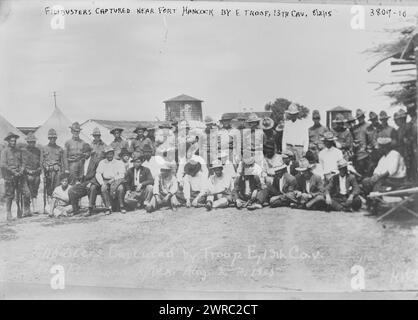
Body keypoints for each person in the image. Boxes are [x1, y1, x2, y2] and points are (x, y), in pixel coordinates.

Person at [67, 144, 101, 216]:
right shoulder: (81, 161)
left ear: (90, 152)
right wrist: (77, 181)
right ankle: (75, 209)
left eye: (86, 152)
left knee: (92, 187)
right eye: (83, 152)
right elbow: (76, 172)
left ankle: (90, 209)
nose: (85, 154)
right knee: (71, 190)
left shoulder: (95, 161)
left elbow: (98, 174)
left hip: (93, 181)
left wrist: (91, 182)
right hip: (83, 182)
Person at [0, 132, 25, 220]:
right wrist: (13, 172)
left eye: (14, 141)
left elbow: (22, 163)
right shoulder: (5, 151)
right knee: (9, 195)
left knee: (19, 194)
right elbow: (3, 164)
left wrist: (21, 170)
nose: (13, 142)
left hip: (18, 176)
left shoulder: (19, 151)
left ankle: (19, 211)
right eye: (11, 141)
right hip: (9, 176)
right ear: (8, 141)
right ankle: (9, 214)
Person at [95, 146, 126, 214]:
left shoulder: (119, 162)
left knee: (120, 188)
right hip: (105, 180)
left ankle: (121, 206)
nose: (109, 156)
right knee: (103, 188)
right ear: (105, 155)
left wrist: (113, 179)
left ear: (113, 154)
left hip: (116, 180)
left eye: (111, 154)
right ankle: (108, 208)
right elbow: (98, 173)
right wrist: (101, 182)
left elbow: (122, 174)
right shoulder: (102, 162)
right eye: (108, 154)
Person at [41, 128, 65, 209]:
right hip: (48, 172)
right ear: (48, 138)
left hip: (57, 172)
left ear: (56, 138)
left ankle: (56, 206)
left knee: (57, 188)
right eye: (51, 138)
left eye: (54, 138)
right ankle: (49, 206)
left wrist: (60, 169)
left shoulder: (60, 149)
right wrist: (45, 168)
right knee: (49, 189)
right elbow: (42, 162)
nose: (52, 139)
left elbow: (62, 162)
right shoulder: (44, 148)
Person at [22, 132, 42, 215]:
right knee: (27, 192)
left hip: (36, 173)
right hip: (27, 174)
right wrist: (27, 171)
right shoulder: (23, 151)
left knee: (35, 191)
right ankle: (27, 209)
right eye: (30, 142)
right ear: (27, 142)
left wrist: (38, 170)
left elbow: (40, 162)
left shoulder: (38, 151)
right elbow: (22, 163)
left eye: (33, 142)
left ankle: (35, 208)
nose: (32, 143)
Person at [352, 109, 371, 176]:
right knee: (359, 173)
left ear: (364, 117)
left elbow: (371, 140)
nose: (360, 119)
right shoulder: (355, 128)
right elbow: (353, 139)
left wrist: (368, 149)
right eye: (358, 118)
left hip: (366, 154)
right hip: (357, 154)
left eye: (361, 117)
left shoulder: (368, 126)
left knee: (368, 172)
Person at [405, 105, 417, 181]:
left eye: (412, 111)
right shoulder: (409, 124)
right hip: (414, 147)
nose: (411, 113)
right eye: (410, 112)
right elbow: (408, 138)